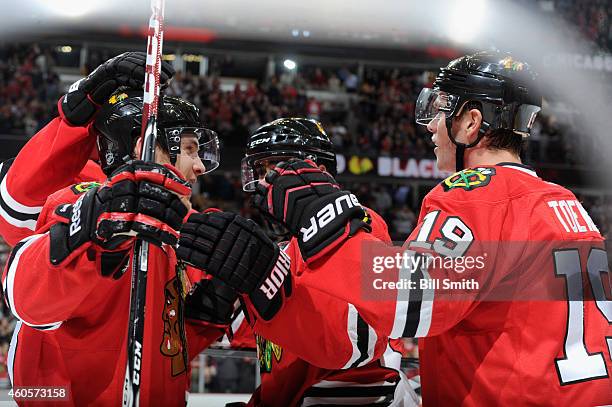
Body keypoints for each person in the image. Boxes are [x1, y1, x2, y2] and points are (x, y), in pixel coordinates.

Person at [179, 51, 612, 406]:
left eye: (441, 110)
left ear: (471, 122)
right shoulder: (566, 203)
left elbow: (413, 301)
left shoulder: (472, 193)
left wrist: (329, 225)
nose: (430, 126)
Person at [1, 90, 235, 406]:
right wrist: (91, 234)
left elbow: (154, 350)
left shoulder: (172, 238)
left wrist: (202, 322)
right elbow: (26, 300)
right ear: (145, 148)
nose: (199, 167)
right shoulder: (82, 203)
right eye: (190, 150)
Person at [179, 118, 418, 406]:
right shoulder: (284, 249)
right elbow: (262, 342)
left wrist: (264, 284)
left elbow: (360, 342)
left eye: (273, 168)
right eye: (258, 171)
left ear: (317, 170)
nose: (262, 183)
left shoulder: (358, 224)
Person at [0, 52, 175, 247]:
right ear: (139, 143)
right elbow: (18, 214)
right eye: (188, 148)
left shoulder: (99, 174)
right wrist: (77, 116)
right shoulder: (88, 180)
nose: (199, 166)